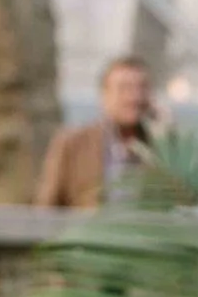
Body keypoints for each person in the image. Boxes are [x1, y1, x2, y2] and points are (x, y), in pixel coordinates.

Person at [36, 55, 156, 207]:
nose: (134, 97)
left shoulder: (161, 148)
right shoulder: (73, 143)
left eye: (142, 88)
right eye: (124, 88)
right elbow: (47, 205)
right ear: (104, 95)